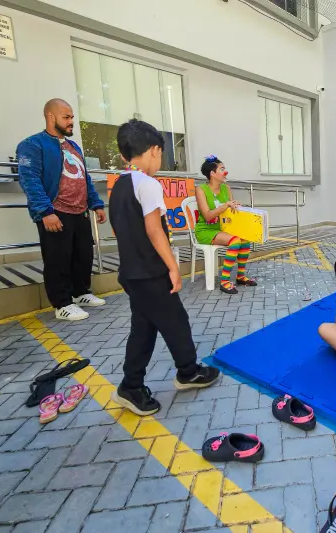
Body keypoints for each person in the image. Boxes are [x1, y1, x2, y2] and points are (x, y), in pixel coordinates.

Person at [108, 120, 219, 416]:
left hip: (131, 271)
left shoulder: (118, 185)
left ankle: (131, 385)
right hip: (150, 271)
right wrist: (173, 266)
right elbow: (155, 230)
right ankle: (188, 372)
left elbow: (121, 229)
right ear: (155, 150)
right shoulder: (148, 184)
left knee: (143, 329)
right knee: (175, 322)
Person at [16, 99, 107, 321]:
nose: (71, 121)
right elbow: (30, 180)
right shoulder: (32, 145)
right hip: (55, 211)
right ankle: (62, 304)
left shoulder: (73, 147)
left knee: (82, 255)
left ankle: (81, 293)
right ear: (50, 116)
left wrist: (96, 203)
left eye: (72, 117)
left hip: (80, 211)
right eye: (66, 117)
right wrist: (45, 212)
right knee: (58, 259)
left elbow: (84, 178)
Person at [194, 156, 257, 294]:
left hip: (223, 228)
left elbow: (229, 212)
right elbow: (208, 215)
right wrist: (225, 206)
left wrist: (235, 207)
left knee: (245, 239)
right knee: (235, 242)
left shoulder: (226, 188)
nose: (225, 172)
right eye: (222, 169)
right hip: (206, 230)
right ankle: (224, 281)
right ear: (212, 173)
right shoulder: (201, 190)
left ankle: (240, 276)